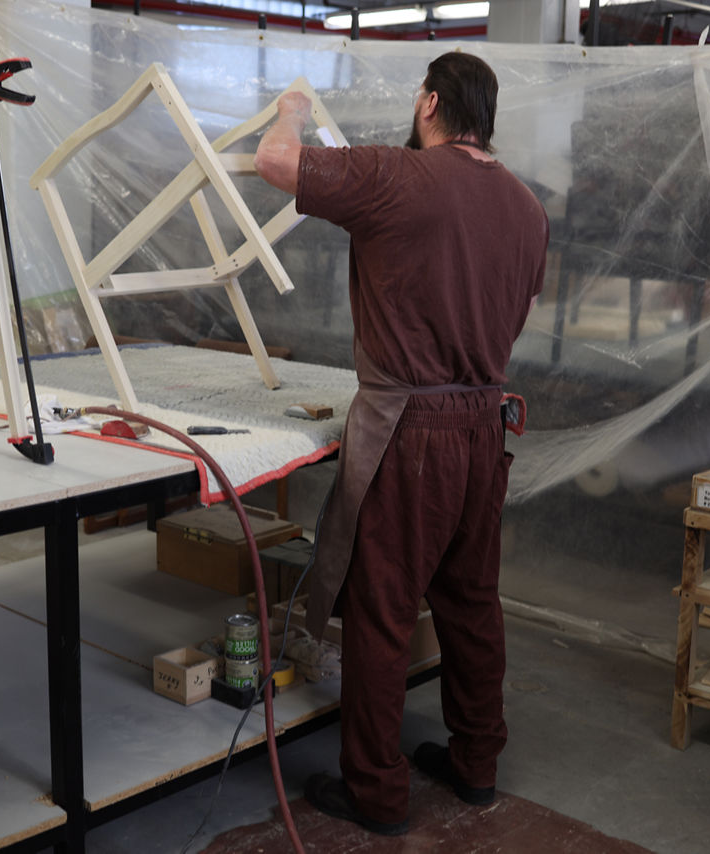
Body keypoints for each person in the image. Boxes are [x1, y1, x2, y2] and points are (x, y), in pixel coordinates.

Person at [253, 52, 549, 836]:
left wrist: (290, 109)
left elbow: (275, 161)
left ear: (428, 103)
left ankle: (376, 794)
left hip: (411, 432)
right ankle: (476, 766)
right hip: (487, 425)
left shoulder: (399, 175)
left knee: (383, 613)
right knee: (471, 603)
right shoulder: (526, 206)